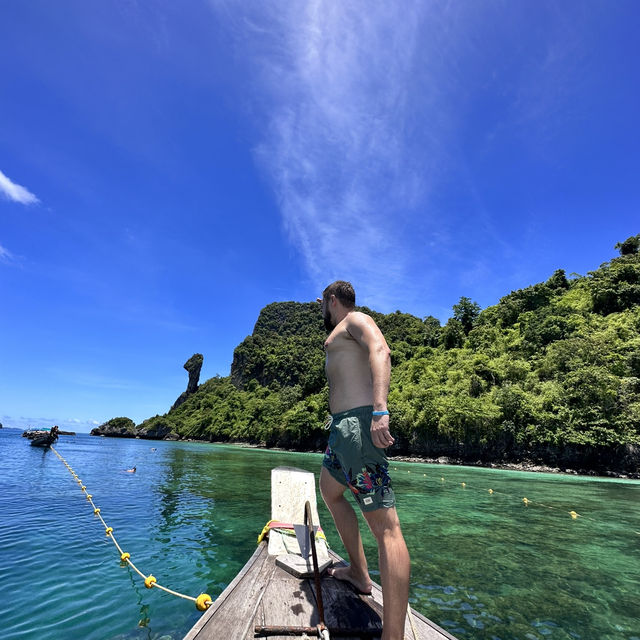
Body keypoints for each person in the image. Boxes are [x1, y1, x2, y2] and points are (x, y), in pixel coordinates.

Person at [317, 280, 410, 640]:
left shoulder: (356, 319)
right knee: (330, 491)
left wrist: (379, 411)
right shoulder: (341, 331)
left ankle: (394, 635)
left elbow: (380, 350)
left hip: (358, 426)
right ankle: (359, 572)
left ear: (332, 300)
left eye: (322, 305)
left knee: (387, 529)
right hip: (341, 431)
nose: (321, 312)